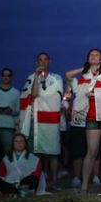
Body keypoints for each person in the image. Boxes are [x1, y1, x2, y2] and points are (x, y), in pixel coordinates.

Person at [66, 49, 101, 194]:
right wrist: (84, 68)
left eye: (97, 55)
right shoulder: (84, 76)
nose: (93, 56)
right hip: (91, 116)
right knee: (91, 151)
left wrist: (95, 93)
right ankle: (84, 186)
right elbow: (69, 76)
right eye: (91, 55)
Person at [19, 52, 63, 190]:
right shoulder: (31, 78)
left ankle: (54, 181)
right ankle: (35, 181)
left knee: (52, 151)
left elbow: (55, 98)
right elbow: (33, 94)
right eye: (40, 60)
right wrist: (37, 78)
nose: (42, 62)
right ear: (36, 62)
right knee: (34, 151)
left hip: (50, 119)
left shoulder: (57, 78)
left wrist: (42, 97)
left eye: (45, 60)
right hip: (35, 119)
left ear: (50, 61)